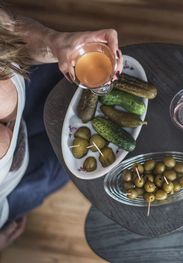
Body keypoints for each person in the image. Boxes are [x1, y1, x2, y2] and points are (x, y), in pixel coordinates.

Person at [0, 7, 122, 249]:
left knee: (67, 107)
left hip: (26, 99)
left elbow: (8, 29)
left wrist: (55, 42)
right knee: (60, 168)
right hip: (13, 190)